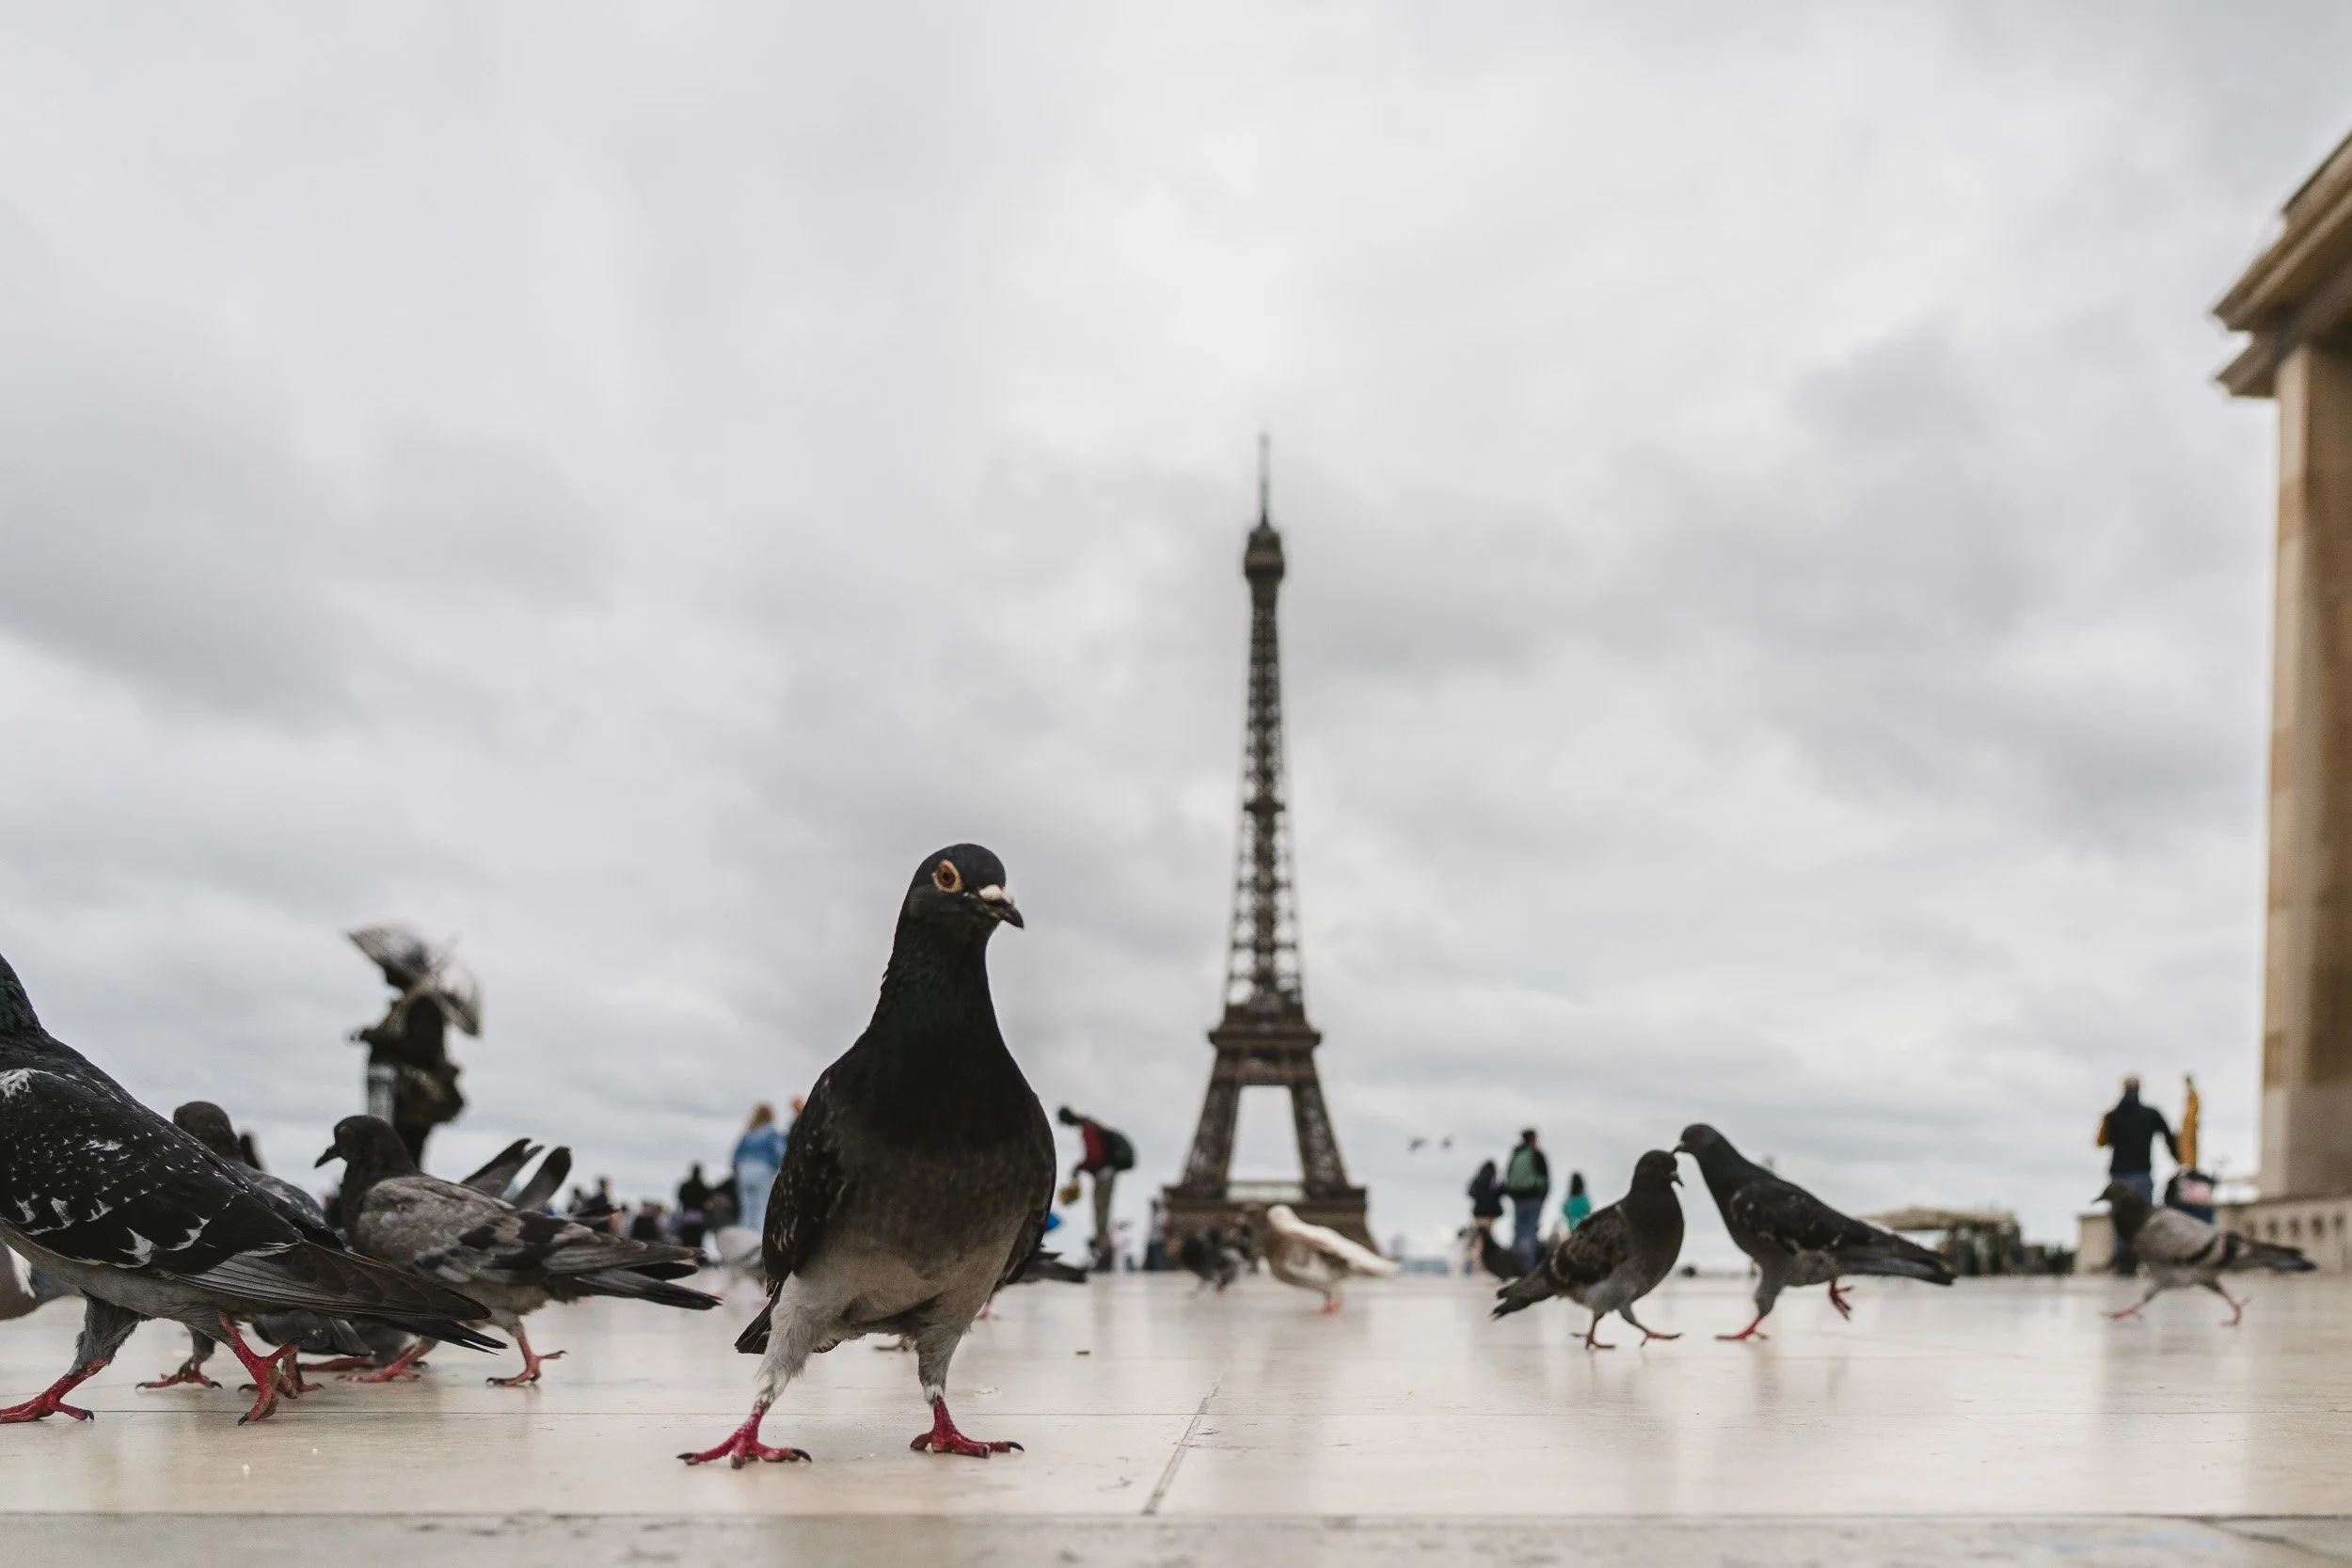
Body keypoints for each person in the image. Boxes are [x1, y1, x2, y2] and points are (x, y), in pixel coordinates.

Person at [2098, 1076, 2180, 1275]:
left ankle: (2124, 1264)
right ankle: (2141, 1260)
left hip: (2118, 1175)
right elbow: (2168, 1137)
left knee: (2121, 1221)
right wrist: (2178, 1157)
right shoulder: (2151, 1114)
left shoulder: (2111, 1116)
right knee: (2143, 1220)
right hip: (2142, 1173)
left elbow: (2100, 1142)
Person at [1057, 1106, 1134, 1272]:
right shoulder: (1091, 1124)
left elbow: (1094, 1156)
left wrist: (1080, 1167)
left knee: (1100, 1214)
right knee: (1102, 1214)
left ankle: (1103, 1254)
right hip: (1107, 1172)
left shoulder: (1087, 1128)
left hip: (1103, 1174)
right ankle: (1102, 1252)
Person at [733, 1102, 789, 1231]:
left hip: (744, 1170)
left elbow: (736, 1155)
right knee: (761, 1207)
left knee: (746, 1208)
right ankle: (758, 1241)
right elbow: (781, 1152)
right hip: (762, 1169)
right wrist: (780, 1168)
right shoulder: (771, 1132)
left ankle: (744, 1236)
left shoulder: (749, 1133)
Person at [1502, 1129, 1550, 1270]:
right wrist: (1543, 1195)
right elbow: (1544, 1177)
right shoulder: (1536, 1154)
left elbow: (1508, 1177)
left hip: (1518, 1197)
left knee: (1518, 1229)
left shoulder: (1516, 1154)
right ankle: (1528, 1266)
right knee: (1531, 1229)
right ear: (1533, 1138)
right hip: (1533, 1196)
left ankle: (1515, 1263)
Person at [1466, 1159, 1505, 1271]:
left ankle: (1477, 1264)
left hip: (1478, 1213)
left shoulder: (1477, 1179)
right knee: (1487, 1241)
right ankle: (1485, 1265)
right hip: (1490, 1214)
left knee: (1477, 1240)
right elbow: (1502, 1191)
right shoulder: (1494, 1180)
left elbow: (1469, 1192)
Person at [675, 1163, 711, 1251]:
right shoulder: (702, 1186)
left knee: (687, 1239)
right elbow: (708, 1198)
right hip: (699, 1215)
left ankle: (687, 1257)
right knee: (697, 1240)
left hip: (687, 1214)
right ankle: (696, 1257)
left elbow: (680, 1198)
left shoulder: (685, 1186)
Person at [1561, 1170, 1592, 1234]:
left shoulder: (1569, 1198)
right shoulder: (1584, 1197)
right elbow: (1588, 1209)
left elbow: (1564, 1210)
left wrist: (1570, 1216)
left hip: (1572, 1225)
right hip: (1583, 1224)